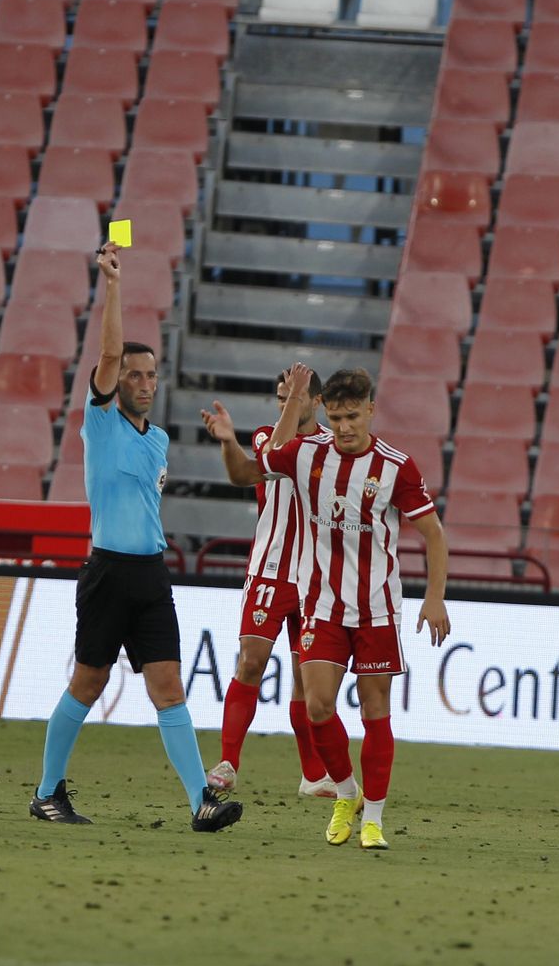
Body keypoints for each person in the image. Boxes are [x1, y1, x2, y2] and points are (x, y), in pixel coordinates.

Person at [30, 238, 243, 833]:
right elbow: (106, 349)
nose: (145, 381)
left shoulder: (158, 441)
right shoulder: (98, 422)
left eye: (151, 374)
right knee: (87, 683)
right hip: (106, 572)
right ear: (116, 379)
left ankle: (201, 800)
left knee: (169, 687)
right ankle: (47, 792)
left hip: (150, 573)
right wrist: (115, 283)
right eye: (134, 373)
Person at [261, 364, 451, 850]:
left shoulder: (395, 466)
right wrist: (293, 401)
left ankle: (374, 820)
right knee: (318, 706)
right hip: (321, 605)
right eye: (337, 417)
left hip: (376, 610)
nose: (345, 427)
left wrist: (434, 597)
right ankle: (347, 793)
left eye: (354, 417)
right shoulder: (307, 454)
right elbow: (266, 459)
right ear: (324, 411)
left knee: (375, 712)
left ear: (370, 410)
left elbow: (433, 535)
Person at [199, 370, 336, 798]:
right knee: (251, 663)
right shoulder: (266, 437)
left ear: (317, 401)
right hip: (271, 571)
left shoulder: (334, 450)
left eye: (293, 397)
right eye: (280, 397)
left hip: (314, 579)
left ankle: (313, 775)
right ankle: (228, 762)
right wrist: (227, 442)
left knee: (306, 679)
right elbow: (252, 469)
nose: (284, 405)